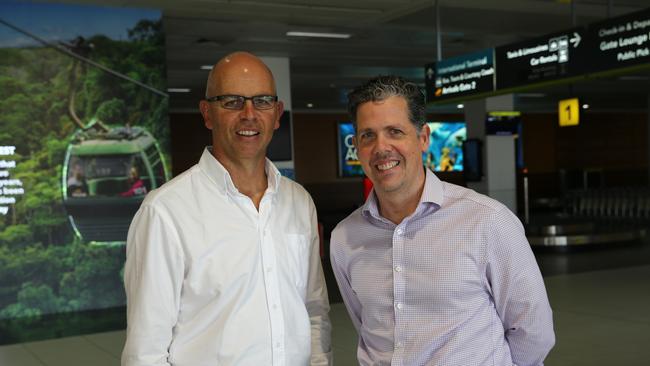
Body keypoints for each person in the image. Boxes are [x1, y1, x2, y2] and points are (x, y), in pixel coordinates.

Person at [122, 52, 331, 366]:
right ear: (207, 113)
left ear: (277, 114)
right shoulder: (165, 212)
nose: (249, 114)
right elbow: (146, 352)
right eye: (232, 101)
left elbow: (314, 311)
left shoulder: (299, 202)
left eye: (261, 101)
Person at [330, 75, 554, 366]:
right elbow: (366, 327)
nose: (381, 147)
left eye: (395, 131)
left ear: (423, 138)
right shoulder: (345, 237)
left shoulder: (488, 222)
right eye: (367, 135)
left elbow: (533, 332)